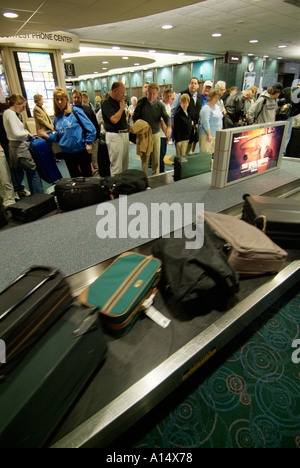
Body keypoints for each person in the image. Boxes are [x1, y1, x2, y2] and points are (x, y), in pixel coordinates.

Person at [38, 87, 96, 178]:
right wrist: (47, 136)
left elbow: (91, 128)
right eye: (57, 99)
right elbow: (59, 136)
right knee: (74, 179)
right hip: (67, 153)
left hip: (81, 151)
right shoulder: (56, 118)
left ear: (67, 99)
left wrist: (89, 143)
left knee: (87, 178)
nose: (60, 102)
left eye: (62, 99)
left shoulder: (75, 111)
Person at [3, 94, 44, 195]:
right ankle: (39, 197)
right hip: (20, 147)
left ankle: (35, 197)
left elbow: (13, 131)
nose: (23, 109)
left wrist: (23, 130)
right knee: (33, 172)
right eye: (22, 106)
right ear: (16, 104)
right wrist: (27, 133)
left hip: (13, 147)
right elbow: (16, 134)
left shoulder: (6, 113)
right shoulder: (11, 114)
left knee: (25, 173)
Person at [133, 82, 171, 175]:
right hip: (144, 135)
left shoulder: (159, 105)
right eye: (150, 93)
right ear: (146, 92)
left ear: (157, 94)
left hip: (155, 134)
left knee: (156, 159)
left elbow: (166, 117)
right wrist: (142, 127)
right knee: (145, 159)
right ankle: (144, 178)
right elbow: (135, 117)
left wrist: (169, 127)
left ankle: (156, 177)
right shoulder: (141, 102)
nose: (151, 96)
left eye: (154, 94)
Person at [101, 82, 129, 177]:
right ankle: (116, 189)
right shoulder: (107, 103)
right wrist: (121, 109)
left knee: (124, 166)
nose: (123, 95)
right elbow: (114, 119)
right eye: (121, 93)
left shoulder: (119, 102)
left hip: (124, 134)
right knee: (116, 166)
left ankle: (124, 188)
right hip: (114, 136)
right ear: (114, 91)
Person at [72, 89, 100, 175]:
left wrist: (97, 137)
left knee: (94, 162)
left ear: (81, 98)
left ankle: (95, 181)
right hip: (80, 143)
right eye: (74, 97)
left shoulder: (87, 109)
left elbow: (95, 123)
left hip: (92, 141)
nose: (76, 99)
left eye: (78, 97)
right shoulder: (71, 112)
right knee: (84, 165)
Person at [171, 77, 202, 153]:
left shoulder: (199, 97)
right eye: (192, 83)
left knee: (188, 151)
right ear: (188, 85)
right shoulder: (181, 94)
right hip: (181, 129)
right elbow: (173, 110)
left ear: (198, 86)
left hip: (192, 129)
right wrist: (172, 123)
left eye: (195, 83)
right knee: (181, 152)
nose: (193, 85)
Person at [33, 93, 57, 162]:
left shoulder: (42, 108)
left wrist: (52, 125)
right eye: (41, 100)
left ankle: (53, 158)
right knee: (47, 146)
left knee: (49, 145)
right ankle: (51, 160)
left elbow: (47, 118)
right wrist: (51, 127)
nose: (43, 101)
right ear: (38, 101)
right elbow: (42, 121)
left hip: (48, 129)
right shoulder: (36, 109)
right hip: (43, 130)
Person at [199, 89, 223, 155]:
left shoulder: (217, 107)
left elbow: (220, 119)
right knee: (205, 154)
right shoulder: (206, 108)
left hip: (216, 134)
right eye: (215, 97)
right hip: (207, 135)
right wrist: (209, 135)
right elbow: (205, 122)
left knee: (212, 153)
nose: (217, 99)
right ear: (211, 97)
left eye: (218, 98)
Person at [159, 87, 172, 172]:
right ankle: (160, 171)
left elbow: (169, 120)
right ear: (162, 95)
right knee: (160, 154)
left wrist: (168, 134)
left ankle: (161, 170)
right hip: (160, 134)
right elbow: (162, 121)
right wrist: (167, 134)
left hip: (165, 134)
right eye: (168, 96)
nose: (169, 98)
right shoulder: (160, 105)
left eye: (171, 96)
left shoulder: (168, 106)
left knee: (163, 153)